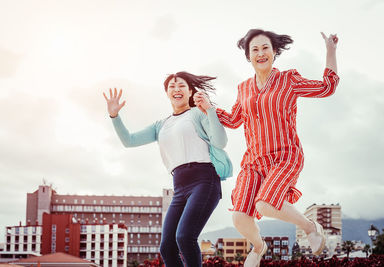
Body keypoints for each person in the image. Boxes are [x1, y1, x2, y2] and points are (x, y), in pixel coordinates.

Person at [194, 29, 339, 267]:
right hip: (254, 161)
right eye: (255, 50)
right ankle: (259, 247)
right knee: (240, 217)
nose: (260, 53)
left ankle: (311, 227)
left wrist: (330, 51)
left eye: (265, 48)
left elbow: (327, 87)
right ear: (248, 55)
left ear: (274, 52)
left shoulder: (288, 80)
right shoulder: (243, 88)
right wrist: (209, 108)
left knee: (265, 204)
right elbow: (233, 120)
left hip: (285, 155)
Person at [103, 71, 232, 267]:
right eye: (171, 86)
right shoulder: (161, 125)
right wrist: (114, 116)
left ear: (190, 91)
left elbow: (220, 142)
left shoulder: (198, 113)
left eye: (181, 85)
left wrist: (210, 110)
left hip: (204, 181)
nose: (176, 89)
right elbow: (129, 141)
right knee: (167, 247)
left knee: (184, 236)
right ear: (167, 93)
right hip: (179, 187)